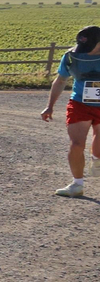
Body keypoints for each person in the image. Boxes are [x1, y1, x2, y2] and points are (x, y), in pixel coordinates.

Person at [40, 25, 100, 197]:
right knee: (76, 144)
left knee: (98, 147)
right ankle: (77, 184)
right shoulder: (71, 57)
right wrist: (50, 106)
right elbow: (60, 81)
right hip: (80, 103)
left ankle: (96, 160)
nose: (84, 51)